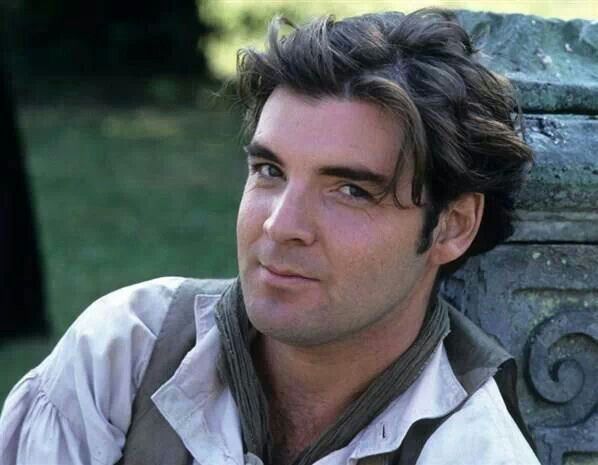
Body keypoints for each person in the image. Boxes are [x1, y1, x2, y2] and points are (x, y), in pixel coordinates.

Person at [0, 9, 541, 465]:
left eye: (351, 190)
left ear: (452, 225)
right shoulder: (126, 353)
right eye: (269, 171)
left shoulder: (473, 450)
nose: (280, 226)